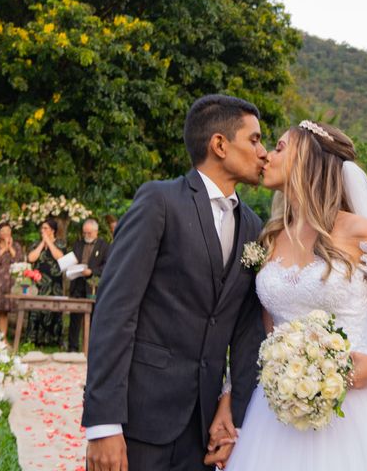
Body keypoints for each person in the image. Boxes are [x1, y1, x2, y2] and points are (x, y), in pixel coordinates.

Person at [210, 121, 367, 470]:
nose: (267, 156)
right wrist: (230, 395)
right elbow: (261, 334)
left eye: (280, 147)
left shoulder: (356, 231)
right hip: (275, 414)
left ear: (308, 159)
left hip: (354, 408)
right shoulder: (270, 237)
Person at [81, 95, 267, 471]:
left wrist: (236, 420)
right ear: (219, 144)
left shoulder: (254, 227)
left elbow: (248, 335)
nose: (263, 152)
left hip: (203, 430)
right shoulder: (159, 201)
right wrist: (103, 424)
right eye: (254, 140)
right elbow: (115, 310)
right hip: (138, 421)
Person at [68, 218, 109, 352]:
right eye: (84, 233)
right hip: (77, 283)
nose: (86, 236)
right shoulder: (78, 244)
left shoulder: (104, 246)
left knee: (93, 319)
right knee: (75, 318)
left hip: (93, 286)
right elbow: (72, 260)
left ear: (96, 232)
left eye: (89, 233)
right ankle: (73, 347)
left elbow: (107, 266)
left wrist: (92, 271)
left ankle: (92, 348)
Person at [25, 218, 66, 346]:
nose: (42, 230)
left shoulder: (60, 243)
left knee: (53, 310)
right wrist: (42, 243)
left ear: (52, 230)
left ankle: (52, 340)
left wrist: (49, 241)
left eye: (45, 228)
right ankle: (34, 339)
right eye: (41, 228)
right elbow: (31, 258)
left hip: (54, 283)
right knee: (36, 310)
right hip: (38, 282)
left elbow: (60, 257)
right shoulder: (36, 244)